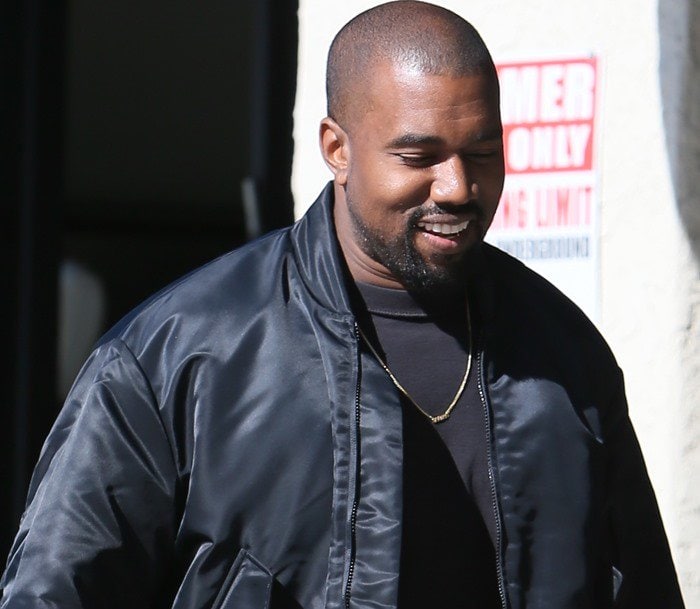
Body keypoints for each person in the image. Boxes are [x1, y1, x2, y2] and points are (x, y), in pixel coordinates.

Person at [0, 2, 685, 608]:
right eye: (419, 155)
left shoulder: (565, 356)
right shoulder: (174, 360)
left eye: (482, 152)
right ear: (337, 149)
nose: (457, 186)